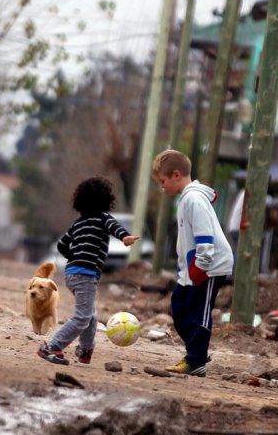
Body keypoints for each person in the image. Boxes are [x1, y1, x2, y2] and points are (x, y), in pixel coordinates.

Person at [37, 177, 139, 365]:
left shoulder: (78, 223)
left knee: (90, 315)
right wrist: (125, 237)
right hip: (85, 275)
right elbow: (114, 228)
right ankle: (52, 346)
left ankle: (85, 350)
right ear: (106, 199)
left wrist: (75, 256)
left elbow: (61, 244)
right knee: (83, 316)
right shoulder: (103, 218)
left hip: (72, 273)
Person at [152, 150, 234, 377]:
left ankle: (196, 359)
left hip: (209, 265)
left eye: (163, 181)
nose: (162, 186)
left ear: (176, 174)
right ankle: (197, 349)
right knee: (179, 306)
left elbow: (204, 232)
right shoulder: (186, 198)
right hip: (193, 268)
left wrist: (203, 263)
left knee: (200, 312)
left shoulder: (194, 199)